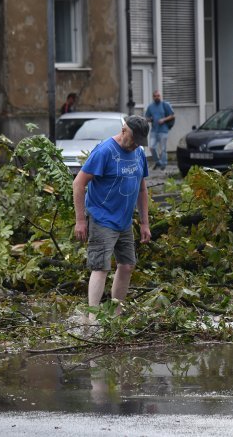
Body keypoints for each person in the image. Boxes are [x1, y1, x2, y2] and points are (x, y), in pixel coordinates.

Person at [73, 115, 151, 322]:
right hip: (102, 217)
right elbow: (78, 184)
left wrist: (144, 223)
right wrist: (80, 220)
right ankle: (92, 318)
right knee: (101, 267)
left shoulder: (139, 153)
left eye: (139, 142)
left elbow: (142, 189)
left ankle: (116, 314)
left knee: (126, 265)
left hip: (124, 220)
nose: (135, 146)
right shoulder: (105, 151)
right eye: (134, 140)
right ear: (124, 131)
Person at [144, 90, 175, 170]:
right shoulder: (150, 107)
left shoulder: (165, 105)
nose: (157, 97)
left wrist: (163, 120)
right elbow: (146, 118)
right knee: (152, 147)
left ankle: (163, 165)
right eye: (155, 96)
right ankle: (158, 162)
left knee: (163, 148)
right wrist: (150, 119)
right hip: (154, 130)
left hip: (163, 130)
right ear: (153, 97)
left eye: (158, 95)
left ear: (160, 96)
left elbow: (172, 115)